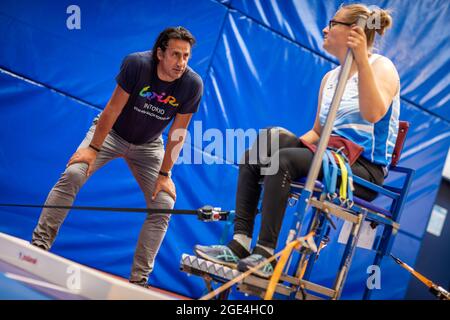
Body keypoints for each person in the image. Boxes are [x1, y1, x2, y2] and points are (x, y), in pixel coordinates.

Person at [195, 4, 400, 279]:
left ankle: (265, 256)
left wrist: (362, 59)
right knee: (265, 145)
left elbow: (373, 113)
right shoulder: (330, 78)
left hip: (361, 170)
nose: (325, 29)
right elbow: (318, 131)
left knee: (283, 160)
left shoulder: (381, 67)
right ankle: (240, 244)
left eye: (332, 23)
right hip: (328, 156)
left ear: (354, 31)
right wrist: (274, 152)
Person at [31, 26, 203, 287]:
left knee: (164, 203)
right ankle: (38, 249)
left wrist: (165, 174)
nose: (181, 63)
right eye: (175, 55)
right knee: (74, 174)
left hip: (149, 145)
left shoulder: (192, 84)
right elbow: (111, 110)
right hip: (112, 134)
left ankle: (139, 283)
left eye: (186, 56)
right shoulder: (136, 64)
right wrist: (93, 149)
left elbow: (178, 132)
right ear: (160, 53)